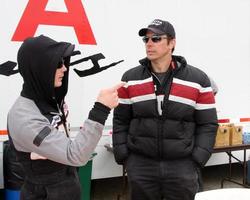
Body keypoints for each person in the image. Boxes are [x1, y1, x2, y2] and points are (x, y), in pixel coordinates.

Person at [7, 35, 124, 200]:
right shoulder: (25, 118)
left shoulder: (49, 99)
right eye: (58, 64)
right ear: (41, 69)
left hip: (67, 185)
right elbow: (76, 155)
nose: (65, 69)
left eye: (64, 61)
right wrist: (101, 109)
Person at [112, 19, 218, 200]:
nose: (149, 44)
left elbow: (207, 124)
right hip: (141, 167)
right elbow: (121, 120)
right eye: (146, 40)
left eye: (156, 39)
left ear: (172, 43)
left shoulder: (198, 80)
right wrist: (124, 156)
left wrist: (197, 159)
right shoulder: (130, 78)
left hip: (182, 167)